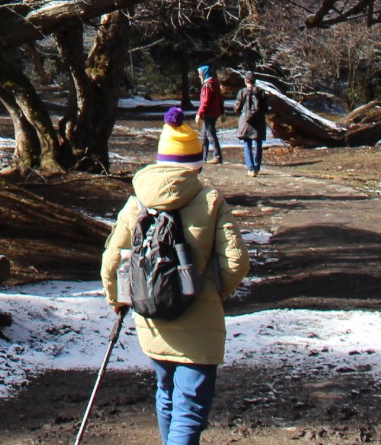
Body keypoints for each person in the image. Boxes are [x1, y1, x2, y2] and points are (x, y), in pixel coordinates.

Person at [101, 107, 251, 445]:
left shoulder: (136, 202)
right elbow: (237, 261)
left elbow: (112, 260)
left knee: (166, 392)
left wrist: (118, 299)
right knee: (190, 408)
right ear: (196, 162)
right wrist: (213, 291)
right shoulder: (210, 201)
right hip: (199, 324)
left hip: (151, 317)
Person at [235, 75, 269, 176]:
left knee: (247, 144)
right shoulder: (261, 92)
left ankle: (251, 168)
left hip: (246, 121)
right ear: (255, 81)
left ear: (246, 81)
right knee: (258, 144)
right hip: (258, 121)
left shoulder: (242, 92)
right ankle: (257, 167)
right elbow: (266, 108)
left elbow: (237, 107)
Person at [195, 65, 225, 162]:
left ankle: (217, 156)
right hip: (214, 112)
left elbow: (205, 101)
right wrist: (222, 112)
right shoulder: (215, 84)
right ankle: (203, 157)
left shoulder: (207, 85)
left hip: (209, 113)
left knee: (210, 134)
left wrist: (199, 114)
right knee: (204, 136)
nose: (199, 76)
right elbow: (220, 99)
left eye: (200, 74)